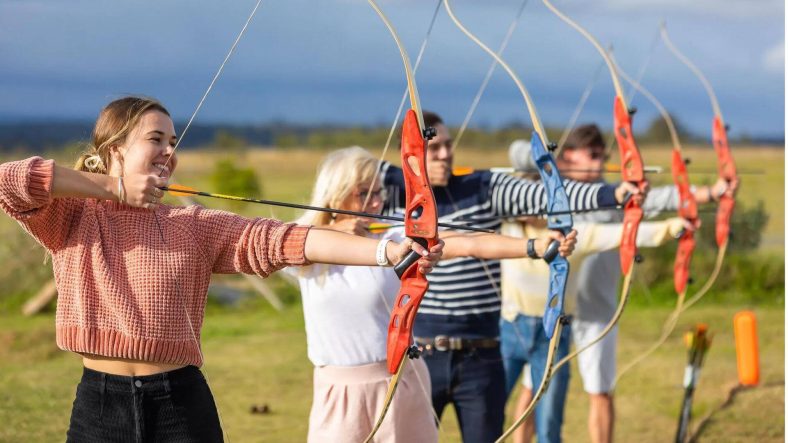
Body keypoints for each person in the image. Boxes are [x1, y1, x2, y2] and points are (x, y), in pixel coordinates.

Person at [0, 96, 445, 442]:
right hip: (100, 405)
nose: (168, 151)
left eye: (173, 143)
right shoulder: (72, 217)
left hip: (180, 404)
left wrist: (388, 253)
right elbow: (10, 181)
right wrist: (114, 188)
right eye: (155, 138)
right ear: (115, 148)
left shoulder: (193, 226)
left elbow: (287, 239)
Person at [378, 112, 644, 442]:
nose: (447, 154)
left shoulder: (484, 186)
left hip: (481, 357)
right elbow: (346, 177)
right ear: (412, 154)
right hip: (419, 356)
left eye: (449, 145)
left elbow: (549, 195)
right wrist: (401, 176)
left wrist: (613, 195)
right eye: (435, 148)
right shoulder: (389, 196)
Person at [290, 146, 577, 442]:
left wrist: (536, 246)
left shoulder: (394, 238)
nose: (376, 203)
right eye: (364, 194)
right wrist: (334, 229)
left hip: (400, 382)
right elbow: (265, 243)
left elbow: (467, 243)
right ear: (336, 194)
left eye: (379, 193)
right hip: (338, 391)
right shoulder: (306, 245)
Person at [511, 124, 737, 443]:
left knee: (600, 391)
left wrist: (713, 192)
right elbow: (516, 155)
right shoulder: (548, 192)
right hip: (553, 311)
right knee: (534, 389)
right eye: (592, 154)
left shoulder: (615, 194)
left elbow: (662, 197)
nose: (600, 161)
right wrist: (549, 163)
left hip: (598, 312)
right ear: (568, 155)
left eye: (603, 155)